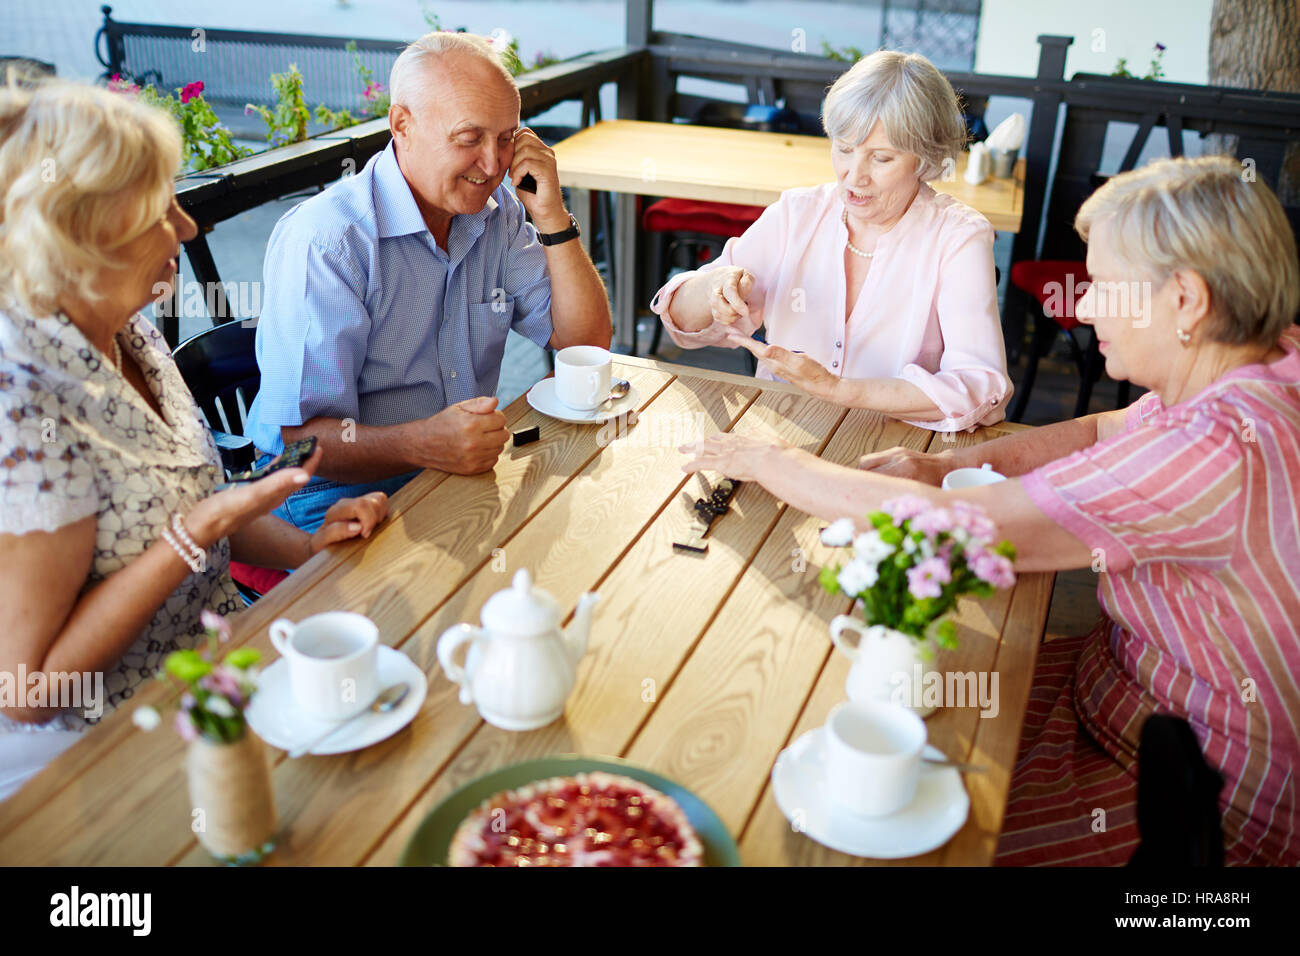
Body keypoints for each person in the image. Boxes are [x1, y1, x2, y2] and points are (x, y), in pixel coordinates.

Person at [679, 155, 1300, 865]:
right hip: (1124, 697)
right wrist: (947, 466)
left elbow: (959, 529)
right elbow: (1102, 429)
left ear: (1187, 300)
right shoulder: (1269, 358)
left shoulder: (1216, 449)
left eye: (1105, 286)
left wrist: (769, 461)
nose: (1086, 305)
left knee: (883, 818)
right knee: (899, 700)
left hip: (1199, 798)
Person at [0, 78, 389, 800]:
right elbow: (29, 691)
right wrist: (201, 526)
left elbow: (196, 500)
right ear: (80, 232)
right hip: (101, 768)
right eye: (159, 210)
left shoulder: (130, 333)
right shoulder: (22, 405)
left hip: (216, 688)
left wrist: (308, 549)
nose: (186, 227)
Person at [246, 31, 612, 533]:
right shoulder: (329, 240)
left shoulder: (497, 211)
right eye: (469, 139)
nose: (494, 164)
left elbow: (585, 343)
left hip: (446, 473)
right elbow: (300, 443)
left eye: (508, 138)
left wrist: (551, 214)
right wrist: (423, 442)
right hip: (323, 496)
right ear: (402, 124)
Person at [649, 50, 1012, 432]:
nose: (855, 177)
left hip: (896, 446)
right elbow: (681, 323)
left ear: (924, 158)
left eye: (882, 158)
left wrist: (838, 390)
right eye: (844, 148)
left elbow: (982, 387)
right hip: (780, 433)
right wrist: (711, 289)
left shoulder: (958, 236)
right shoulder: (797, 214)